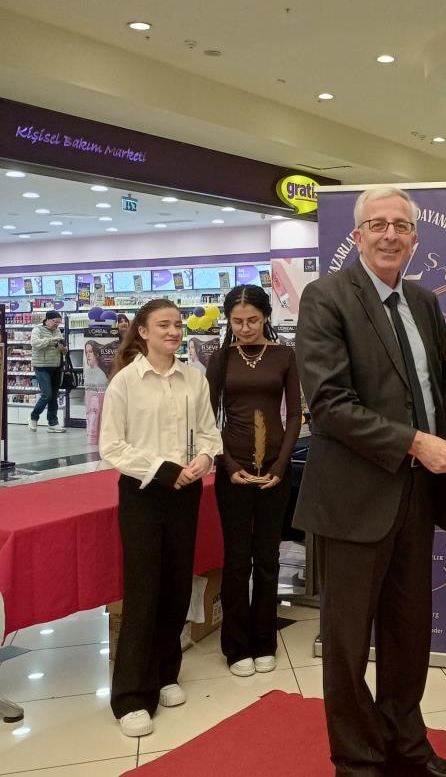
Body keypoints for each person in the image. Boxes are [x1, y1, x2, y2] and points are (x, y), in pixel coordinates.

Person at [294, 186, 446, 777]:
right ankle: (358, 760)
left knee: (408, 633)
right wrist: (414, 442)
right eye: (377, 224)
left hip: (417, 495)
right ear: (357, 236)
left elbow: (437, 384)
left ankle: (407, 746)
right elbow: (329, 404)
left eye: (401, 225)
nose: (390, 234)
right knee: (348, 642)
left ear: (415, 239)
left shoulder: (424, 301)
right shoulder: (326, 298)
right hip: (354, 499)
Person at [99, 299, 222, 738]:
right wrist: (165, 470)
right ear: (143, 331)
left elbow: (209, 432)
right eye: (163, 325)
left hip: (186, 493)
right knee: (144, 589)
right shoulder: (125, 382)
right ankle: (131, 696)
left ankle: (166, 672)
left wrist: (205, 458)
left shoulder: (193, 379)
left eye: (177, 324)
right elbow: (112, 446)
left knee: (176, 586)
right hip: (144, 495)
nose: (173, 332)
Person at [206, 285, 302, 677]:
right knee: (235, 560)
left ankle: (265, 640)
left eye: (253, 320)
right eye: (237, 321)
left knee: (267, 558)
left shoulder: (284, 355)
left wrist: (281, 465)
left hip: (275, 471)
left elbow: (294, 415)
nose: (245, 328)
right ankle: (235, 646)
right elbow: (208, 419)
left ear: (266, 317)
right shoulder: (220, 359)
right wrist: (227, 464)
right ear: (228, 321)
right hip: (233, 470)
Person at [29, 310, 67, 432]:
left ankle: (53, 423)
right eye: (55, 322)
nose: (57, 324)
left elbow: (64, 350)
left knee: (54, 396)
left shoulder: (57, 331)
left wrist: (63, 348)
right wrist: (51, 340)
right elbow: (35, 343)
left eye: (59, 322)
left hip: (56, 367)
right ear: (48, 319)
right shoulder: (37, 329)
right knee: (47, 395)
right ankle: (33, 417)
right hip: (42, 367)